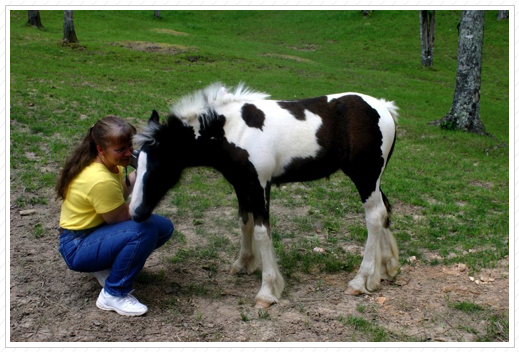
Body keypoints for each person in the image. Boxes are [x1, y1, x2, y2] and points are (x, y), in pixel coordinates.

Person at [55, 116, 174, 316]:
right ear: (101, 149)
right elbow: (118, 217)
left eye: (130, 146)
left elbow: (120, 189)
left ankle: (106, 265)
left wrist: (143, 170)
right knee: (142, 231)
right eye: (121, 150)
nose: (128, 153)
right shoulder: (99, 178)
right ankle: (113, 293)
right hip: (77, 245)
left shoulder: (107, 162)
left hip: (94, 231)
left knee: (163, 228)